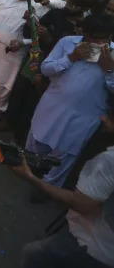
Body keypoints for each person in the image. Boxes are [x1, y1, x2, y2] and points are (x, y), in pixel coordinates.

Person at [10, 115, 114, 268]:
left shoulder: (108, 161)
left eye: (112, 118)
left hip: (93, 246)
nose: (104, 118)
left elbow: (81, 204)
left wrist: (30, 177)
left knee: (32, 256)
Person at [26, 14, 114, 190]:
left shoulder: (111, 54)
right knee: (38, 140)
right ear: (84, 33)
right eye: (93, 38)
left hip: (84, 117)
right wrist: (71, 58)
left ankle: (47, 188)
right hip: (52, 105)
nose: (98, 43)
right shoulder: (67, 43)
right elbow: (45, 69)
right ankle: (29, 170)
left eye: (103, 38)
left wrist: (109, 70)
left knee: (65, 154)